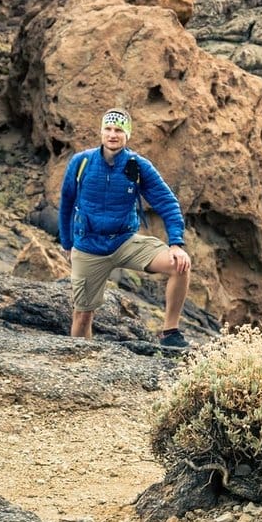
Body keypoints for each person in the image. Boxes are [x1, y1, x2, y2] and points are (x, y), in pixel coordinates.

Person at [58, 108, 192, 347]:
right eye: (108, 129)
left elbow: (167, 202)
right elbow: (67, 202)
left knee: (180, 265)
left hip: (125, 241)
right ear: (101, 132)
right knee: (82, 316)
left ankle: (170, 332)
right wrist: (67, 243)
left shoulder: (137, 166)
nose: (112, 134)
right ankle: (81, 367)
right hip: (89, 246)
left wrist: (176, 243)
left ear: (127, 135)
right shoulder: (82, 162)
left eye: (119, 130)